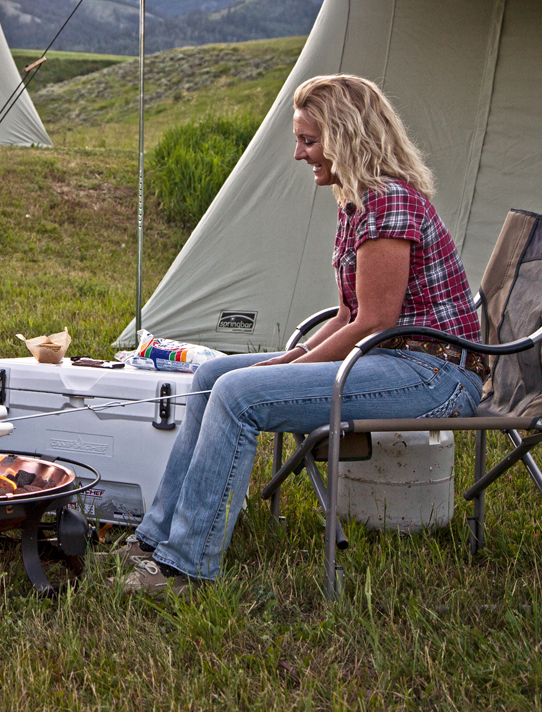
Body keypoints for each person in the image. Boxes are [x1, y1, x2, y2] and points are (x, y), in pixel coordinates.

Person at [119, 74, 486, 597]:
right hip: (390, 359)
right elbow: (348, 315)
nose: (299, 153)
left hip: (433, 374)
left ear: (346, 137)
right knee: (214, 373)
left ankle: (187, 568)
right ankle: (158, 538)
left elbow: (375, 322)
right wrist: (296, 356)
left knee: (239, 393)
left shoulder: (387, 203)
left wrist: (287, 370)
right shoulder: (358, 200)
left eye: (309, 141)